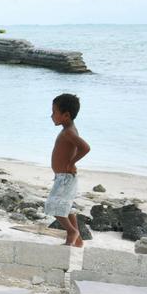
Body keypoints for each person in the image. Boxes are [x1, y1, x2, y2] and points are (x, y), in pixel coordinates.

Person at [44, 93, 91, 247]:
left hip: (65, 177)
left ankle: (71, 232)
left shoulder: (69, 132)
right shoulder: (68, 129)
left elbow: (85, 147)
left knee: (53, 206)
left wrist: (71, 163)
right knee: (66, 207)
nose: (51, 115)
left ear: (66, 115)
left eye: (54, 112)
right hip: (63, 177)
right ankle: (77, 240)